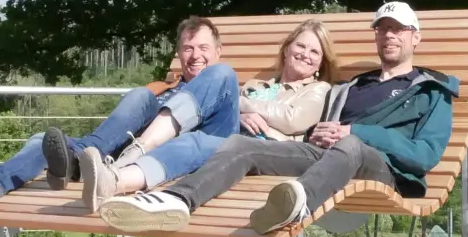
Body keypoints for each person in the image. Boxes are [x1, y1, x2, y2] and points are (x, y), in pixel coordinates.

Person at [98, 1, 457, 235]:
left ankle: (295, 204)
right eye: (383, 29)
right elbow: (312, 125)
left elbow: (424, 154)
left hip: (382, 169)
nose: (389, 35)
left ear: (416, 38)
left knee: (351, 144)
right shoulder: (352, 86)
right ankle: (176, 200)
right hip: (325, 154)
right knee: (243, 145)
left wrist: (354, 130)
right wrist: (316, 135)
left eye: (399, 29)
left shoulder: (430, 90)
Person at [0, 16, 240, 209]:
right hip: (127, 151)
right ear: (178, 54)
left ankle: (79, 159)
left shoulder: (228, 83)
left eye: (202, 48)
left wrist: (253, 107)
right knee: (44, 139)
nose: (194, 55)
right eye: (187, 48)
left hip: (197, 147)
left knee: (217, 75)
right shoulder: (163, 89)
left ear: (218, 51)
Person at [73, 18, 338, 211]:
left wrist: (240, 103)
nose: (305, 54)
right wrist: (238, 110)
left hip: (265, 152)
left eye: (314, 51)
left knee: (221, 78)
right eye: (300, 46)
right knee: (193, 135)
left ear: (321, 62)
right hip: (232, 140)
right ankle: (122, 169)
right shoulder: (260, 85)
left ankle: (125, 167)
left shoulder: (318, 90)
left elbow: (291, 119)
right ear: (288, 48)